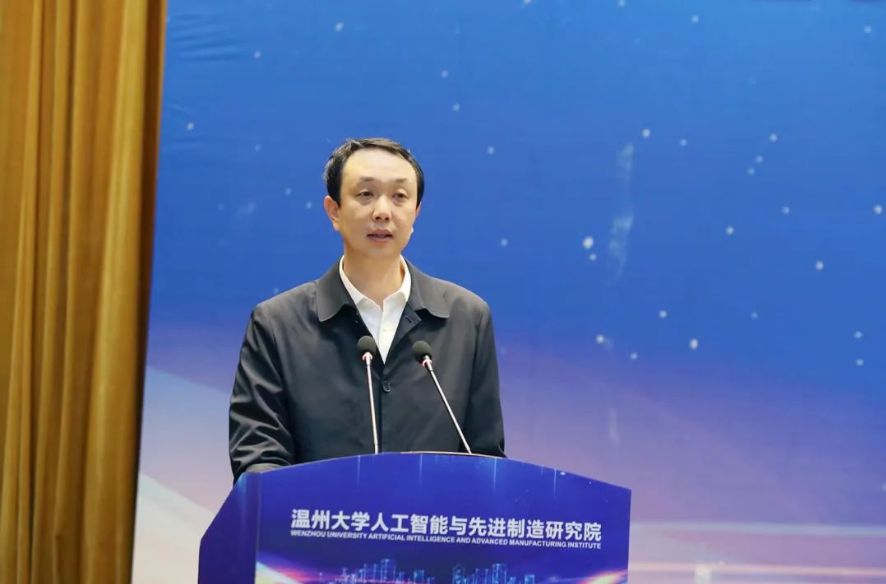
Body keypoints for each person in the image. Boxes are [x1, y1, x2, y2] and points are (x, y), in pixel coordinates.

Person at [228, 137, 505, 482]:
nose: (383, 212)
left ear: (416, 212)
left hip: (428, 519)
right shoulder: (277, 325)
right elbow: (258, 461)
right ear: (334, 210)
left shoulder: (466, 319)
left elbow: (485, 462)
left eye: (399, 196)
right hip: (317, 518)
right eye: (365, 194)